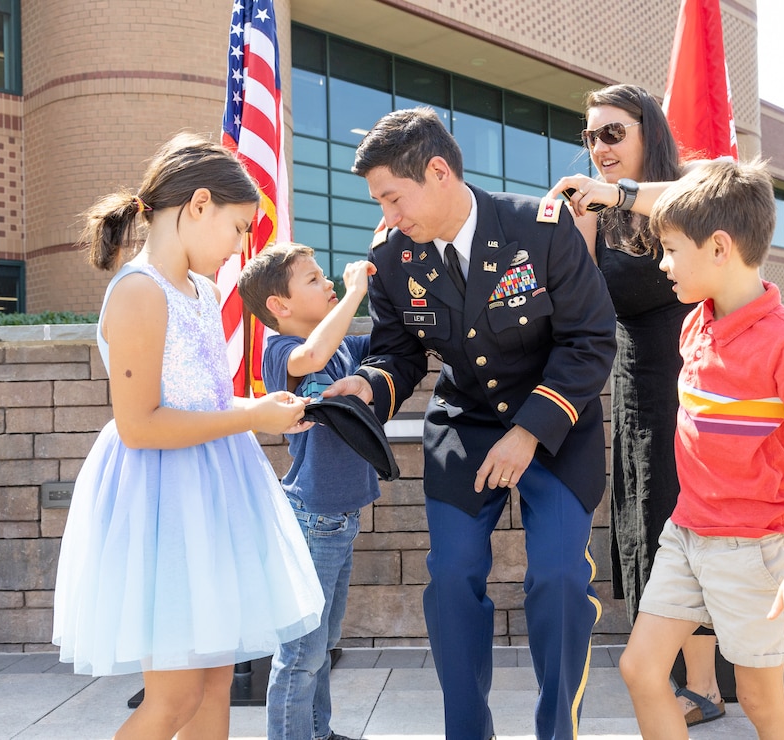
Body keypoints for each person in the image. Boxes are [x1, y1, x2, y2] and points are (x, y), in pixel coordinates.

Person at [550, 85, 784, 738]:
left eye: (612, 133)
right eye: (590, 137)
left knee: (767, 676)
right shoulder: (680, 312)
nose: (599, 148)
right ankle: (701, 688)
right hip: (669, 457)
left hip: (747, 470)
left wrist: (619, 196)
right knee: (652, 627)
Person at [326, 107, 617, 740]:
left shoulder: (539, 230)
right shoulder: (394, 255)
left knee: (561, 579)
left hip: (556, 424)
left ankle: (555, 730)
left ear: (437, 171)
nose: (389, 215)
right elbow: (398, 351)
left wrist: (531, 431)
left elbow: (590, 341)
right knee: (453, 576)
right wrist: (370, 384)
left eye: (393, 198)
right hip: (467, 423)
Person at [51, 133, 325, 739]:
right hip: (163, 505)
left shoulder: (199, 292)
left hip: (211, 498)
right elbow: (141, 423)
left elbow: (203, 398)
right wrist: (251, 419)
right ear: (199, 205)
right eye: (237, 228)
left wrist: (255, 404)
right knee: (172, 697)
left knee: (212, 686)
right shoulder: (139, 292)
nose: (238, 248)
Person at [616, 158, 784, 740]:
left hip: (755, 549)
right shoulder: (695, 324)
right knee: (641, 669)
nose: (662, 265)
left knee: (760, 700)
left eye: (669, 249)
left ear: (719, 247)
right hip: (687, 533)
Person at [237, 243, 378, 740]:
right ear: (280, 306)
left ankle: (318, 733)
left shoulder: (341, 346)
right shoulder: (280, 352)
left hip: (342, 515)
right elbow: (311, 354)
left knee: (325, 642)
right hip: (314, 516)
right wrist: (355, 290)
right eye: (314, 280)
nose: (329, 284)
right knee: (301, 652)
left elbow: (392, 342)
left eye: (326, 278)